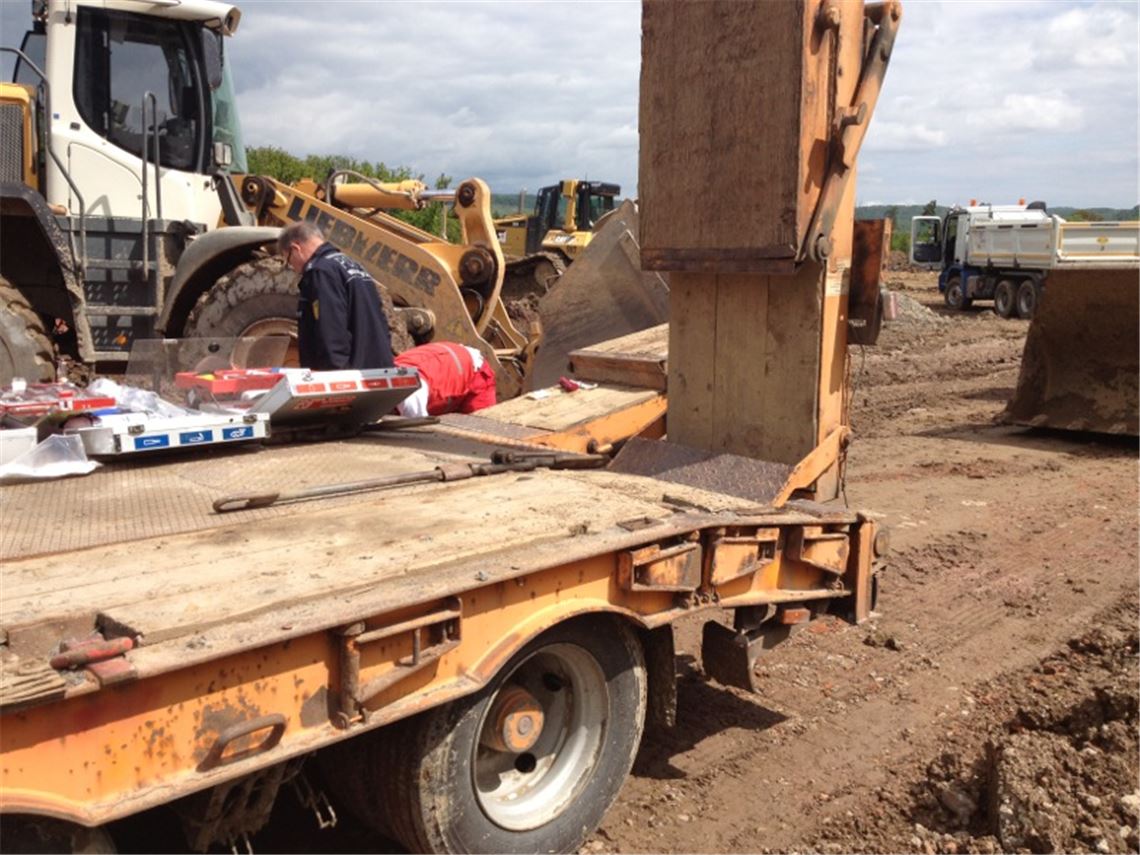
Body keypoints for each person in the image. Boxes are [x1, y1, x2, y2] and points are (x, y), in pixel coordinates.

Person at [277, 221, 394, 370]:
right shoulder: (354, 266)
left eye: (288, 260)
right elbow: (380, 318)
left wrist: (336, 374)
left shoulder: (320, 272)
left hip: (350, 375)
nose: (293, 268)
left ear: (296, 249)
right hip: (378, 368)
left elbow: (330, 329)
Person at [394, 342, 497, 417]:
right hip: (447, 362)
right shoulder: (393, 373)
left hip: (474, 372)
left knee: (481, 429)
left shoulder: (410, 396)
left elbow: (419, 430)